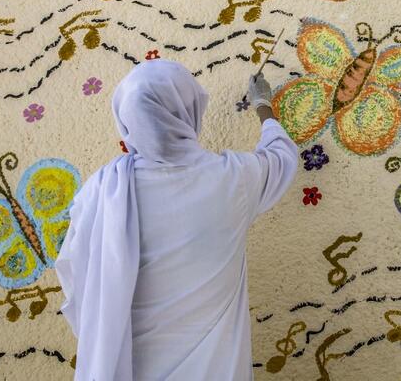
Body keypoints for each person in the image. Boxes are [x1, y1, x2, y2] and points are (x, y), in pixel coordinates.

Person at [55, 59, 299, 380]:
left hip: (130, 366)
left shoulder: (102, 191)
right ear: (190, 110)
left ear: (126, 119)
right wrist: (262, 105)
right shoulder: (232, 179)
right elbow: (281, 156)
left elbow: (76, 275)